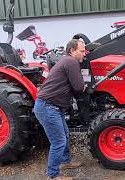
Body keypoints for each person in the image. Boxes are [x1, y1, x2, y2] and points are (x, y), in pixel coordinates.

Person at [34, 39, 86, 180]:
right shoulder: (71, 62)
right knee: (58, 142)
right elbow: (78, 87)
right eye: (81, 51)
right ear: (71, 51)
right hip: (48, 107)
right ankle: (53, 175)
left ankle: (65, 162)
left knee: (65, 135)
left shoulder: (66, 61)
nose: (84, 54)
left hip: (52, 107)